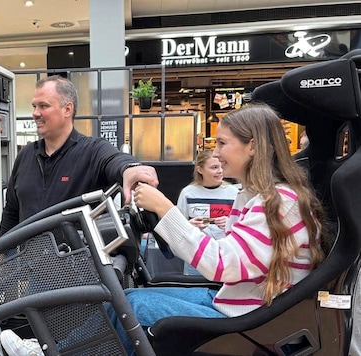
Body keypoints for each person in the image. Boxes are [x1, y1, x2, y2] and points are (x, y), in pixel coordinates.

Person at [123, 103, 326, 355]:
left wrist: (165, 209)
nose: (215, 152)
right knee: (126, 296)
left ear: (252, 146)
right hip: (240, 305)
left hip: (250, 319)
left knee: (125, 307)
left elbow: (219, 264)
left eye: (221, 143)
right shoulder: (255, 196)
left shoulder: (279, 203)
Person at [0, 75, 159, 237]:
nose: (35, 113)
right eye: (34, 106)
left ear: (67, 109)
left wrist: (130, 169)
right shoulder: (25, 155)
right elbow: (11, 212)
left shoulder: (92, 150)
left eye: (43, 106)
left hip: (79, 261)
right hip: (29, 261)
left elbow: (115, 160)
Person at [176, 150, 238, 275]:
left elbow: (244, 226)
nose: (220, 171)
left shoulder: (234, 192)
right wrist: (190, 225)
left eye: (221, 166)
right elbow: (178, 227)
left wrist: (230, 222)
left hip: (226, 256)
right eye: (214, 167)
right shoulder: (187, 193)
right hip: (196, 256)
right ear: (200, 169)